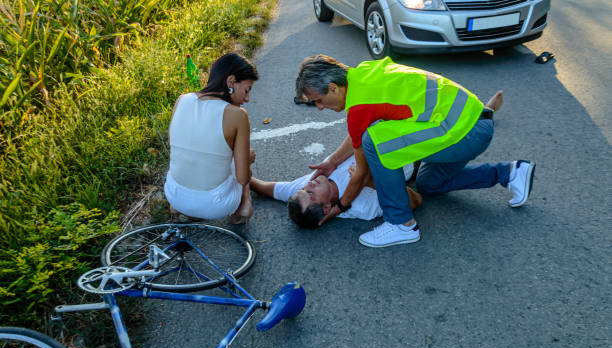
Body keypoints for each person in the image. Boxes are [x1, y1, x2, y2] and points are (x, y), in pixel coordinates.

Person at [295, 55, 536, 248]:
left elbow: (360, 173)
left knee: (375, 143)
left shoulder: (358, 106)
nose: (319, 108)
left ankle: (401, 223)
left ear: (334, 88)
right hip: (475, 120)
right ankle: (511, 173)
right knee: (429, 183)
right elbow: (357, 132)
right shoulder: (364, 73)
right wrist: (333, 163)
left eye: (318, 100)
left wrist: (340, 208)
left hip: (464, 135)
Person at [164, 53, 258, 225]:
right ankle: (244, 206)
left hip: (174, 195)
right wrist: (245, 159)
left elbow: (173, 142)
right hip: (216, 206)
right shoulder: (238, 115)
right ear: (231, 82)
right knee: (244, 157)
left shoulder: (182, 100)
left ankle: (181, 209)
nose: (247, 98)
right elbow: (243, 178)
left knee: (194, 153)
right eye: (247, 89)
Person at [251, 155, 422, 228]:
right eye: (311, 194)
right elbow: (415, 200)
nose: (309, 185)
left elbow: (267, 188)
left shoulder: (307, 185)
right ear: (326, 208)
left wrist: (239, 178)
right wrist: (369, 181)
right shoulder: (362, 205)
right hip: (409, 152)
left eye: (304, 189)